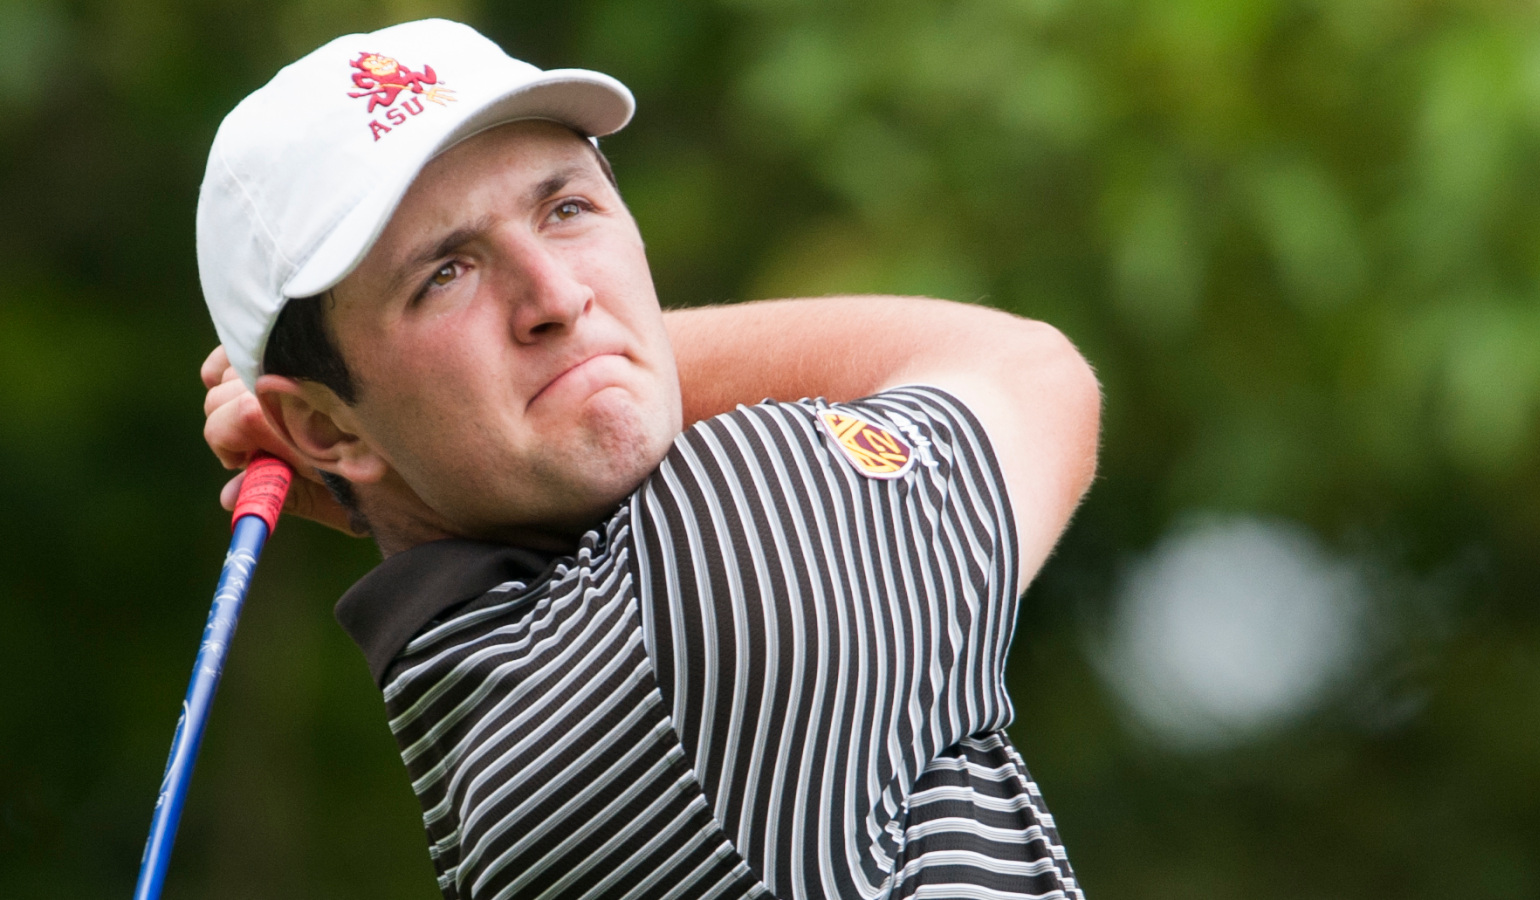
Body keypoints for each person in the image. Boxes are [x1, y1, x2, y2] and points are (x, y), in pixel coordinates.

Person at [197, 18, 1100, 900]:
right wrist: (617, 360)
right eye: (445, 274)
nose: (557, 295)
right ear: (323, 432)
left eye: (568, 208)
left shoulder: (491, 734)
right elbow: (1027, 369)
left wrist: (405, 437)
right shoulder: (730, 563)